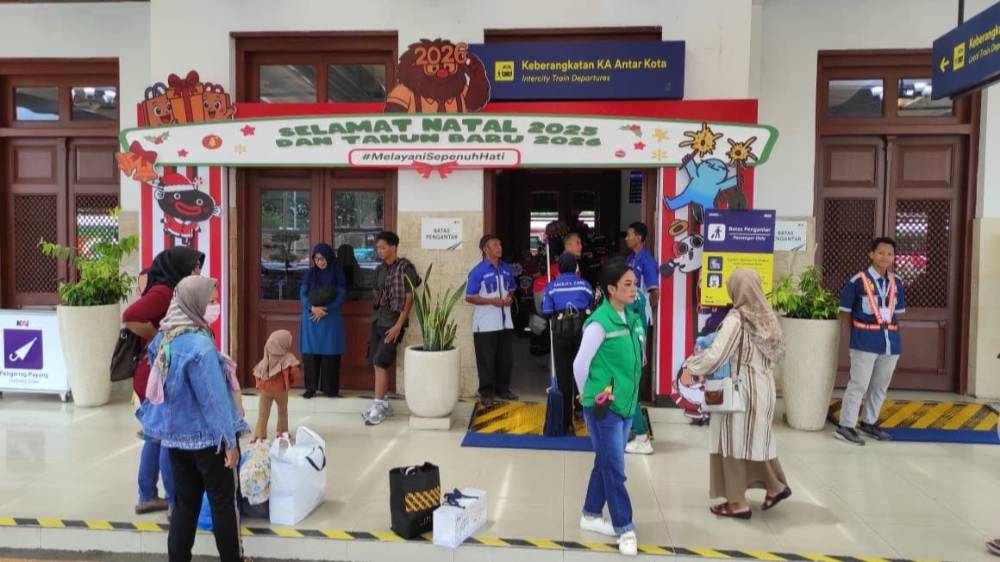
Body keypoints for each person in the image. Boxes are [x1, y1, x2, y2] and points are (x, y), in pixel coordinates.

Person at [137, 276, 250, 562]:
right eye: (210, 301)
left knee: (184, 505)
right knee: (223, 503)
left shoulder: (164, 338)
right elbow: (213, 399)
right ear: (194, 303)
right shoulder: (200, 347)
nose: (214, 307)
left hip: (176, 441)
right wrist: (229, 441)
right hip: (209, 441)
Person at [681, 269, 790, 519]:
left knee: (730, 443)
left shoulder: (737, 319)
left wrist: (691, 367)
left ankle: (737, 502)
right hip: (765, 388)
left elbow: (717, 355)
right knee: (755, 440)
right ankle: (775, 486)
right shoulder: (767, 316)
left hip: (741, 391)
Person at [122, 246, 204, 515]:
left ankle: (147, 495)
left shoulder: (175, 291)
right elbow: (130, 316)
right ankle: (174, 501)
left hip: (155, 373)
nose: (198, 272)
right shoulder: (163, 292)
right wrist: (158, 335)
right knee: (168, 436)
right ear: (179, 268)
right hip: (154, 375)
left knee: (155, 435)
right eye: (194, 267)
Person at [572, 258, 645, 556]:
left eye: (634, 283)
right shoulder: (600, 322)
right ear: (611, 289)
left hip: (626, 404)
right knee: (615, 468)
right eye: (627, 284)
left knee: (604, 461)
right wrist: (585, 395)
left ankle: (590, 515)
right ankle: (624, 528)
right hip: (605, 408)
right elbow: (580, 364)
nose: (634, 289)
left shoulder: (631, 318)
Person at [835, 237, 907, 446]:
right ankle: (846, 426)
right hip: (864, 341)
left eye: (890, 254)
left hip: (890, 343)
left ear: (894, 257)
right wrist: (856, 333)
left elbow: (896, 313)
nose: (885, 257)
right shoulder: (857, 281)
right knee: (859, 384)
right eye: (881, 253)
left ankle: (869, 422)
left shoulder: (897, 282)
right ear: (872, 255)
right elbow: (845, 312)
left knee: (879, 386)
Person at [363, 231, 419, 426]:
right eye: (377, 248)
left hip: (393, 323)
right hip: (378, 320)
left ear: (393, 247)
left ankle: (378, 406)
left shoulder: (405, 268)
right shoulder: (379, 269)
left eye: (383, 247)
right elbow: (375, 289)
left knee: (380, 361)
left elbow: (409, 299)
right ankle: (384, 404)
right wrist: (381, 297)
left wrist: (398, 326)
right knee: (375, 361)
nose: (379, 251)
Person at [541, 252, 594, 432]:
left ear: (559, 268)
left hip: (560, 335)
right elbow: (592, 307)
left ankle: (566, 423)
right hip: (582, 335)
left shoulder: (551, 287)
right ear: (575, 267)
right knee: (582, 372)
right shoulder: (585, 285)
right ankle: (581, 410)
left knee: (563, 377)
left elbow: (546, 312)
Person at [466, 234, 517, 403]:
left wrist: (510, 298)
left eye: (500, 244)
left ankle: (503, 390)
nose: (499, 247)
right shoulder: (477, 271)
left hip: (505, 322)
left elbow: (512, 288)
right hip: (485, 324)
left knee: (505, 359)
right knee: (486, 360)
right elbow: (469, 297)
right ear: (485, 249)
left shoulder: (506, 268)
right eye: (495, 245)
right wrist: (491, 301)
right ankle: (487, 393)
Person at [624, 222, 658, 455]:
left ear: (639, 237)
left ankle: (640, 432)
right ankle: (630, 424)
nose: (627, 238)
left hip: (638, 319)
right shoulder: (630, 259)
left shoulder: (646, 260)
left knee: (632, 372)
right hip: (628, 317)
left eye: (629, 235)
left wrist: (643, 312)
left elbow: (654, 292)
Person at [299, 243, 347, 399]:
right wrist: (312, 308)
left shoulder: (337, 273)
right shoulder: (309, 274)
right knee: (310, 354)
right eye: (317, 259)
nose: (320, 262)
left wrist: (325, 310)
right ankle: (310, 388)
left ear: (329, 257)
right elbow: (303, 295)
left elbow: (341, 296)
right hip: (311, 318)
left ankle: (330, 389)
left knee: (331, 353)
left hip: (330, 319)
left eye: (323, 258)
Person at [251, 329, 300, 441]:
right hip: (281, 390)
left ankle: (260, 436)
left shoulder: (266, 357)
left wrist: (260, 383)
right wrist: (291, 381)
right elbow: (295, 372)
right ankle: (282, 434)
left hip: (265, 390)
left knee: (263, 414)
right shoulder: (288, 357)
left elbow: (257, 373)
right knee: (282, 412)